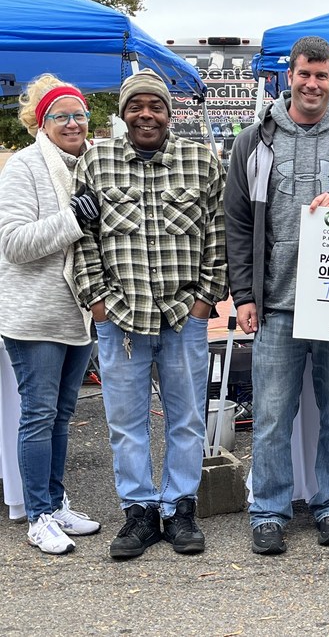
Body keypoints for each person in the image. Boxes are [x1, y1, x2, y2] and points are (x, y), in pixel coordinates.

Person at [225, 36, 329, 555]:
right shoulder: (254, 140)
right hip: (275, 303)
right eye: (303, 74)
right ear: (287, 77)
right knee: (271, 416)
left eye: (322, 76)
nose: (312, 84)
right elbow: (238, 223)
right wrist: (243, 293)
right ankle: (268, 510)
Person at [73, 69, 227, 559]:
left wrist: (206, 300)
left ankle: (180, 508)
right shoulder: (95, 161)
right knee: (125, 421)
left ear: (169, 112)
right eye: (136, 105)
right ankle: (138, 513)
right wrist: (96, 301)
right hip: (120, 317)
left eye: (155, 106)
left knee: (186, 419)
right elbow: (83, 240)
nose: (146, 114)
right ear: (123, 113)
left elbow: (219, 235)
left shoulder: (200, 160)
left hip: (185, 315)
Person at [0, 75, 102, 554]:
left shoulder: (91, 165)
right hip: (35, 315)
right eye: (60, 115)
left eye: (79, 114)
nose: (72, 123)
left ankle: (55, 502)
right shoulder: (24, 166)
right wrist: (73, 221)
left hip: (77, 313)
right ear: (43, 123)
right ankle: (38, 515)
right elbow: (14, 243)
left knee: (62, 416)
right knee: (38, 416)